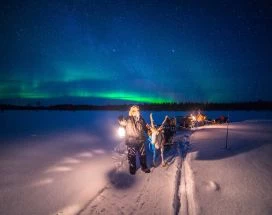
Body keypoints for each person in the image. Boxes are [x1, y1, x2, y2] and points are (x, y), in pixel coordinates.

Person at [118, 105, 150, 175]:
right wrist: (120, 121)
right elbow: (123, 123)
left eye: (138, 111)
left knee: (143, 155)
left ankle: (144, 167)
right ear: (132, 112)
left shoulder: (141, 119)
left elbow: (145, 128)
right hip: (131, 141)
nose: (137, 112)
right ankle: (132, 168)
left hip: (141, 140)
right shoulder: (128, 119)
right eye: (135, 111)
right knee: (131, 156)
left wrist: (149, 131)